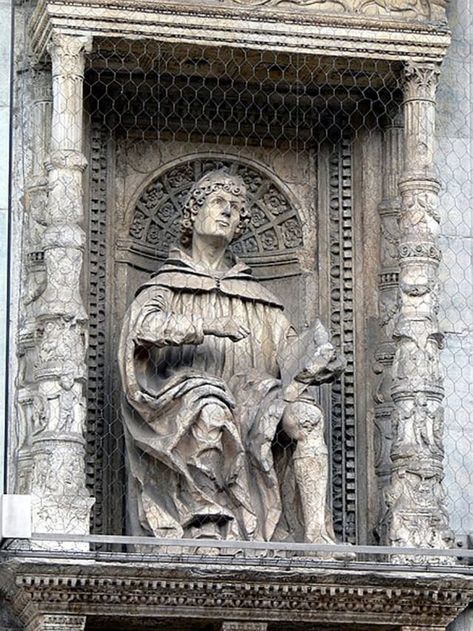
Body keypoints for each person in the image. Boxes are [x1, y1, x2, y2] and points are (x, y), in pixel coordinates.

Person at [119, 169, 344, 544]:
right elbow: (142, 327)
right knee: (210, 409)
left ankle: (317, 535)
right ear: (193, 213)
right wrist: (205, 326)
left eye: (236, 208)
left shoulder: (253, 291)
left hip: (252, 396)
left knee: (306, 417)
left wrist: (315, 358)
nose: (228, 212)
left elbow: (285, 347)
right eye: (218, 203)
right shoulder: (168, 282)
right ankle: (205, 523)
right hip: (182, 396)